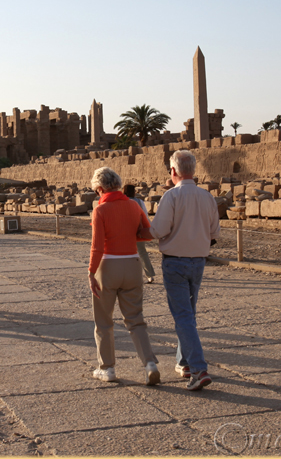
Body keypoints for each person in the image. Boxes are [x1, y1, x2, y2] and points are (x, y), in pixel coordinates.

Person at [138, 150, 220, 391]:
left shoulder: (172, 196)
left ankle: (198, 369)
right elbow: (215, 232)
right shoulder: (207, 197)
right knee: (189, 314)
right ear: (193, 170)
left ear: (173, 171)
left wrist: (139, 232)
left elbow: (158, 230)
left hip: (175, 262)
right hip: (199, 261)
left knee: (183, 316)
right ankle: (184, 363)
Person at [88, 167, 160, 386]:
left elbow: (97, 247)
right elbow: (147, 233)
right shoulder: (133, 205)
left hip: (108, 265)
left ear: (100, 188)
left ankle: (107, 368)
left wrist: (91, 272)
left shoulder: (100, 210)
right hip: (132, 265)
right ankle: (150, 364)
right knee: (136, 319)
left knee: (104, 321)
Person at [123, 185, 156, 284]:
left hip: (125, 231)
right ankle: (150, 275)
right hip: (138, 230)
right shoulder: (140, 202)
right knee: (142, 252)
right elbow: (145, 215)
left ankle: (128, 276)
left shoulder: (121, 202)